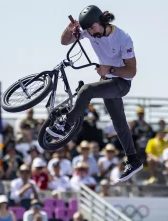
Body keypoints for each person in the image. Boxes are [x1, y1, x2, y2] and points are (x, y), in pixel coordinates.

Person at [46, 5, 142, 182]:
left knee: (87, 90)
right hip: (107, 80)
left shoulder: (123, 38)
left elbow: (131, 72)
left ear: (102, 22)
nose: (90, 32)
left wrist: (110, 68)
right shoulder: (89, 32)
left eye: (93, 27)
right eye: (87, 29)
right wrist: (68, 30)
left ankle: (66, 125)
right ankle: (134, 160)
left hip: (121, 82)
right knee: (119, 122)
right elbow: (64, 42)